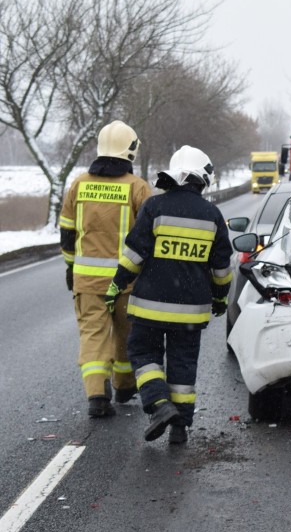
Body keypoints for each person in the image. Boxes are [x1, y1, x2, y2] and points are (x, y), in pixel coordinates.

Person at [105, 145, 233, 444]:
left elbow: (134, 255)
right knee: (183, 365)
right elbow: (221, 268)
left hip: (150, 307)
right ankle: (180, 427)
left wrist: (116, 285)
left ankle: (159, 406)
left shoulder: (154, 208)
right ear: (202, 179)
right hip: (191, 311)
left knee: (142, 353)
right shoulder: (212, 215)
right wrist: (220, 297)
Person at [59, 120, 151, 418]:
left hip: (87, 282)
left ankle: (97, 395)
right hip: (126, 283)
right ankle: (124, 386)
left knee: (93, 337)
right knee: (127, 335)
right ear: (131, 151)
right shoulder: (138, 188)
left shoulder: (79, 184)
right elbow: (150, 236)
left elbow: (67, 231)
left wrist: (70, 266)